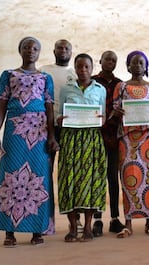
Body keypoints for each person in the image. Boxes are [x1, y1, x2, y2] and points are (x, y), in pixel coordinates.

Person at [0, 36, 58, 247]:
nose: (31, 50)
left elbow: (49, 109)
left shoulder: (46, 78)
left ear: (39, 52)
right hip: (15, 131)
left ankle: (37, 230)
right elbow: (2, 105)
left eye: (35, 48)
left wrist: (53, 136)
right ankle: (9, 232)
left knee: (39, 177)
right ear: (20, 50)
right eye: (27, 47)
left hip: (39, 132)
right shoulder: (8, 75)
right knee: (10, 177)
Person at [112, 50, 149, 238]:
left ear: (146, 67)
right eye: (134, 63)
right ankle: (128, 223)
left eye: (141, 63)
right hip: (128, 138)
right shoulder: (121, 86)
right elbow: (114, 109)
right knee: (129, 177)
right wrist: (117, 113)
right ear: (128, 66)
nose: (137, 66)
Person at [58, 53, 107, 242]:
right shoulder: (66, 89)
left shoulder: (100, 90)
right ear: (75, 68)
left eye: (87, 67)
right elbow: (59, 113)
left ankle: (87, 226)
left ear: (92, 68)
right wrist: (60, 119)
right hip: (71, 139)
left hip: (92, 140)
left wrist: (101, 119)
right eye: (79, 67)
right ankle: (72, 226)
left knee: (91, 181)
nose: (83, 70)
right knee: (69, 180)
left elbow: (102, 114)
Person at [39, 39, 82, 232]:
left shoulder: (77, 73)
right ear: (54, 50)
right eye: (60, 48)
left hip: (71, 127)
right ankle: (44, 220)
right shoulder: (44, 70)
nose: (63, 51)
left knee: (73, 173)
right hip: (46, 126)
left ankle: (77, 219)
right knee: (45, 172)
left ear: (71, 52)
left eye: (67, 48)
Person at [90, 50, 126, 237]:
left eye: (114, 59)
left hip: (114, 137)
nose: (110, 62)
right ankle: (97, 219)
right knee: (97, 178)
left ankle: (114, 218)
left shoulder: (121, 84)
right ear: (101, 61)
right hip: (96, 134)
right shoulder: (92, 81)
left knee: (113, 177)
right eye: (107, 59)